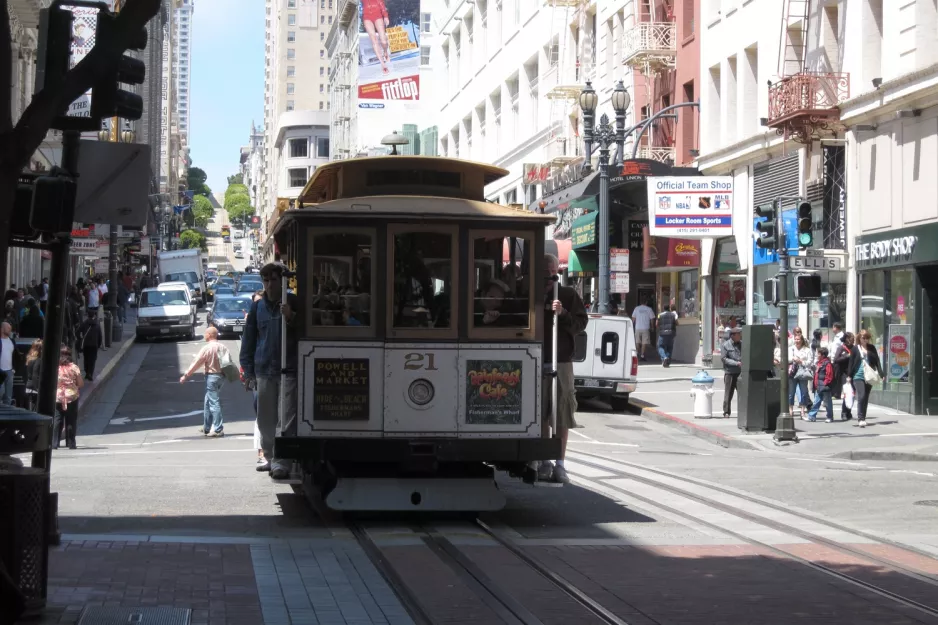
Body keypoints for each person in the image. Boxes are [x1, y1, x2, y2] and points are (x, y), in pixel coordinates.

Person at [531, 254, 588, 485]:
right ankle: (544, 461)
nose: (548, 272)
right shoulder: (532, 293)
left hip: (561, 361)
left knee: (562, 413)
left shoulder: (568, 294)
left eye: (551, 268)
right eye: (543, 268)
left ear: (557, 269)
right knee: (541, 413)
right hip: (535, 359)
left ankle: (560, 463)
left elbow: (580, 325)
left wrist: (562, 314)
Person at [240, 263, 299, 479]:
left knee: (286, 418)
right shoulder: (257, 307)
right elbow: (249, 339)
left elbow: (306, 332)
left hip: (288, 369)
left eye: (273, 280)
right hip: (264, 369)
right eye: (265, 280)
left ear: (282, 281)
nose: (269, 284)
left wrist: (292, 317)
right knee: (265, 419)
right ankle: (271, 457)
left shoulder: (292, 301)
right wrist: (247, 372)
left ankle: (283, 461)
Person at [180, 326, 229, 437]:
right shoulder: (223, 347)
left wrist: (186, 375)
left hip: (212, 377)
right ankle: (207, 427)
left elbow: (197, 362)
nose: (204, 335)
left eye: (206, 333)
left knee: (213, 402)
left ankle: (218, 429)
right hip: (221, 376)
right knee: (208, 401)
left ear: (210, 335)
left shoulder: (207, 348)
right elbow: (228, 363)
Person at [849, 329, 883, 429]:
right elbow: (851, 362)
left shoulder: (871, 348)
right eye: (864, 338)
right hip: (858, 376)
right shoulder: (855, 349)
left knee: (866, 397)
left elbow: (877, 360)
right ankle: (860, 418)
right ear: (859, 338)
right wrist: (849, 375)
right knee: (861, 395)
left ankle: (863, 417)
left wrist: (881, 373)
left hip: (869, 375)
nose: (865, 340)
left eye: (867, 338)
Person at [53, 345, 83, 449]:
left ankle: (54, 443)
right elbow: (80, 383)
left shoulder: (56, 367)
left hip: (58, 395)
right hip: (71, 396)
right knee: (71, 420)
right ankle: (71, 443)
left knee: (58, 418)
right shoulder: (74, 367)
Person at [789, 329, 814, 420]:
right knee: (791, 393)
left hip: (803, 373)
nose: (797, 341)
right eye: (795, 339)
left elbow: (810, 361)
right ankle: (790, 410)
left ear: (802, 340)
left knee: (804, 392)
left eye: (798, 339)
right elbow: (787, 359)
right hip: (793, 372)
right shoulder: (791, 349)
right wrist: (793, 359)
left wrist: (801, 361)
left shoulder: (807, 350)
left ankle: (802, 411)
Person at [361, 0, 391, 75]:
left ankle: (385, 51)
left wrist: (386, 16)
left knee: (383, 40)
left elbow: (381, 4)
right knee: (374, 40)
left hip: (378, 15)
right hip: (367, 17)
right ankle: (383, 64)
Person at [806, 347, 834, 423]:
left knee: (828, 403)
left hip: (824, 387)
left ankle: (829, 417)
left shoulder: (827, 363)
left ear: (822, 355)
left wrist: (825, 383)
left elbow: (829, 375)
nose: (817, 355)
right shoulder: (819, 363)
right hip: (818, 387)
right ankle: (812, 416)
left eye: (818, 354)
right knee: (816, 402)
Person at [720, 327, 742, 418]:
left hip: (740, 373)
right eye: (738, 334)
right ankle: (726, 412)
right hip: (730, 372)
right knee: (728, 393)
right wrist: (736, 363)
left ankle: (743, 412)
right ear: (733, 335)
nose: (740, 336)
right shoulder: (726, 345)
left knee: (742, 393)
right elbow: (724, 359)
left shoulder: (742, 344)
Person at [833, 331, 855, 420]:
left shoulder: (854, 348)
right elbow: (836, 359)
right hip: (844, 373)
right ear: (845, 339)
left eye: (852, 339)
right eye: (849, 339)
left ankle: (848, 412)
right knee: (847, 392)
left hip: (853, 372)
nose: (851, 341)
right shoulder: (841, 348)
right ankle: (844, 413)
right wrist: (847, 356)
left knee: (852, 393)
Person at [77, 310, 103, 381]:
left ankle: (87, 372)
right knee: (92, 359)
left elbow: (78, 331)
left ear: (88, 315)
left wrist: (80, 338)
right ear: (94, 315)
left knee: (86, 359)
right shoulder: (97, 324)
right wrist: (99, 344)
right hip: (94, 345)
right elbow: (100, 336)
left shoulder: (85, 323)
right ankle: (90, 373)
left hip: (86, 344)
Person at [24, 340, 42, 411]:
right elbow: (35, 374)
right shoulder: (38, 360)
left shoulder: (29, 358)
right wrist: (37, 388)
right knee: (36, 408)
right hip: (35, 386)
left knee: (29, 407)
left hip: (28, 384)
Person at [0, 322, 15, 406]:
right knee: (1, 393)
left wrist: (13, 368)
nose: (10, 330)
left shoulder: (12, 341)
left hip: (9, 371)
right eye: (8, 328)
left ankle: (8, 416)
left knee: (8, 396)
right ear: (2, 329)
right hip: (0, 370)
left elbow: (15, 355)